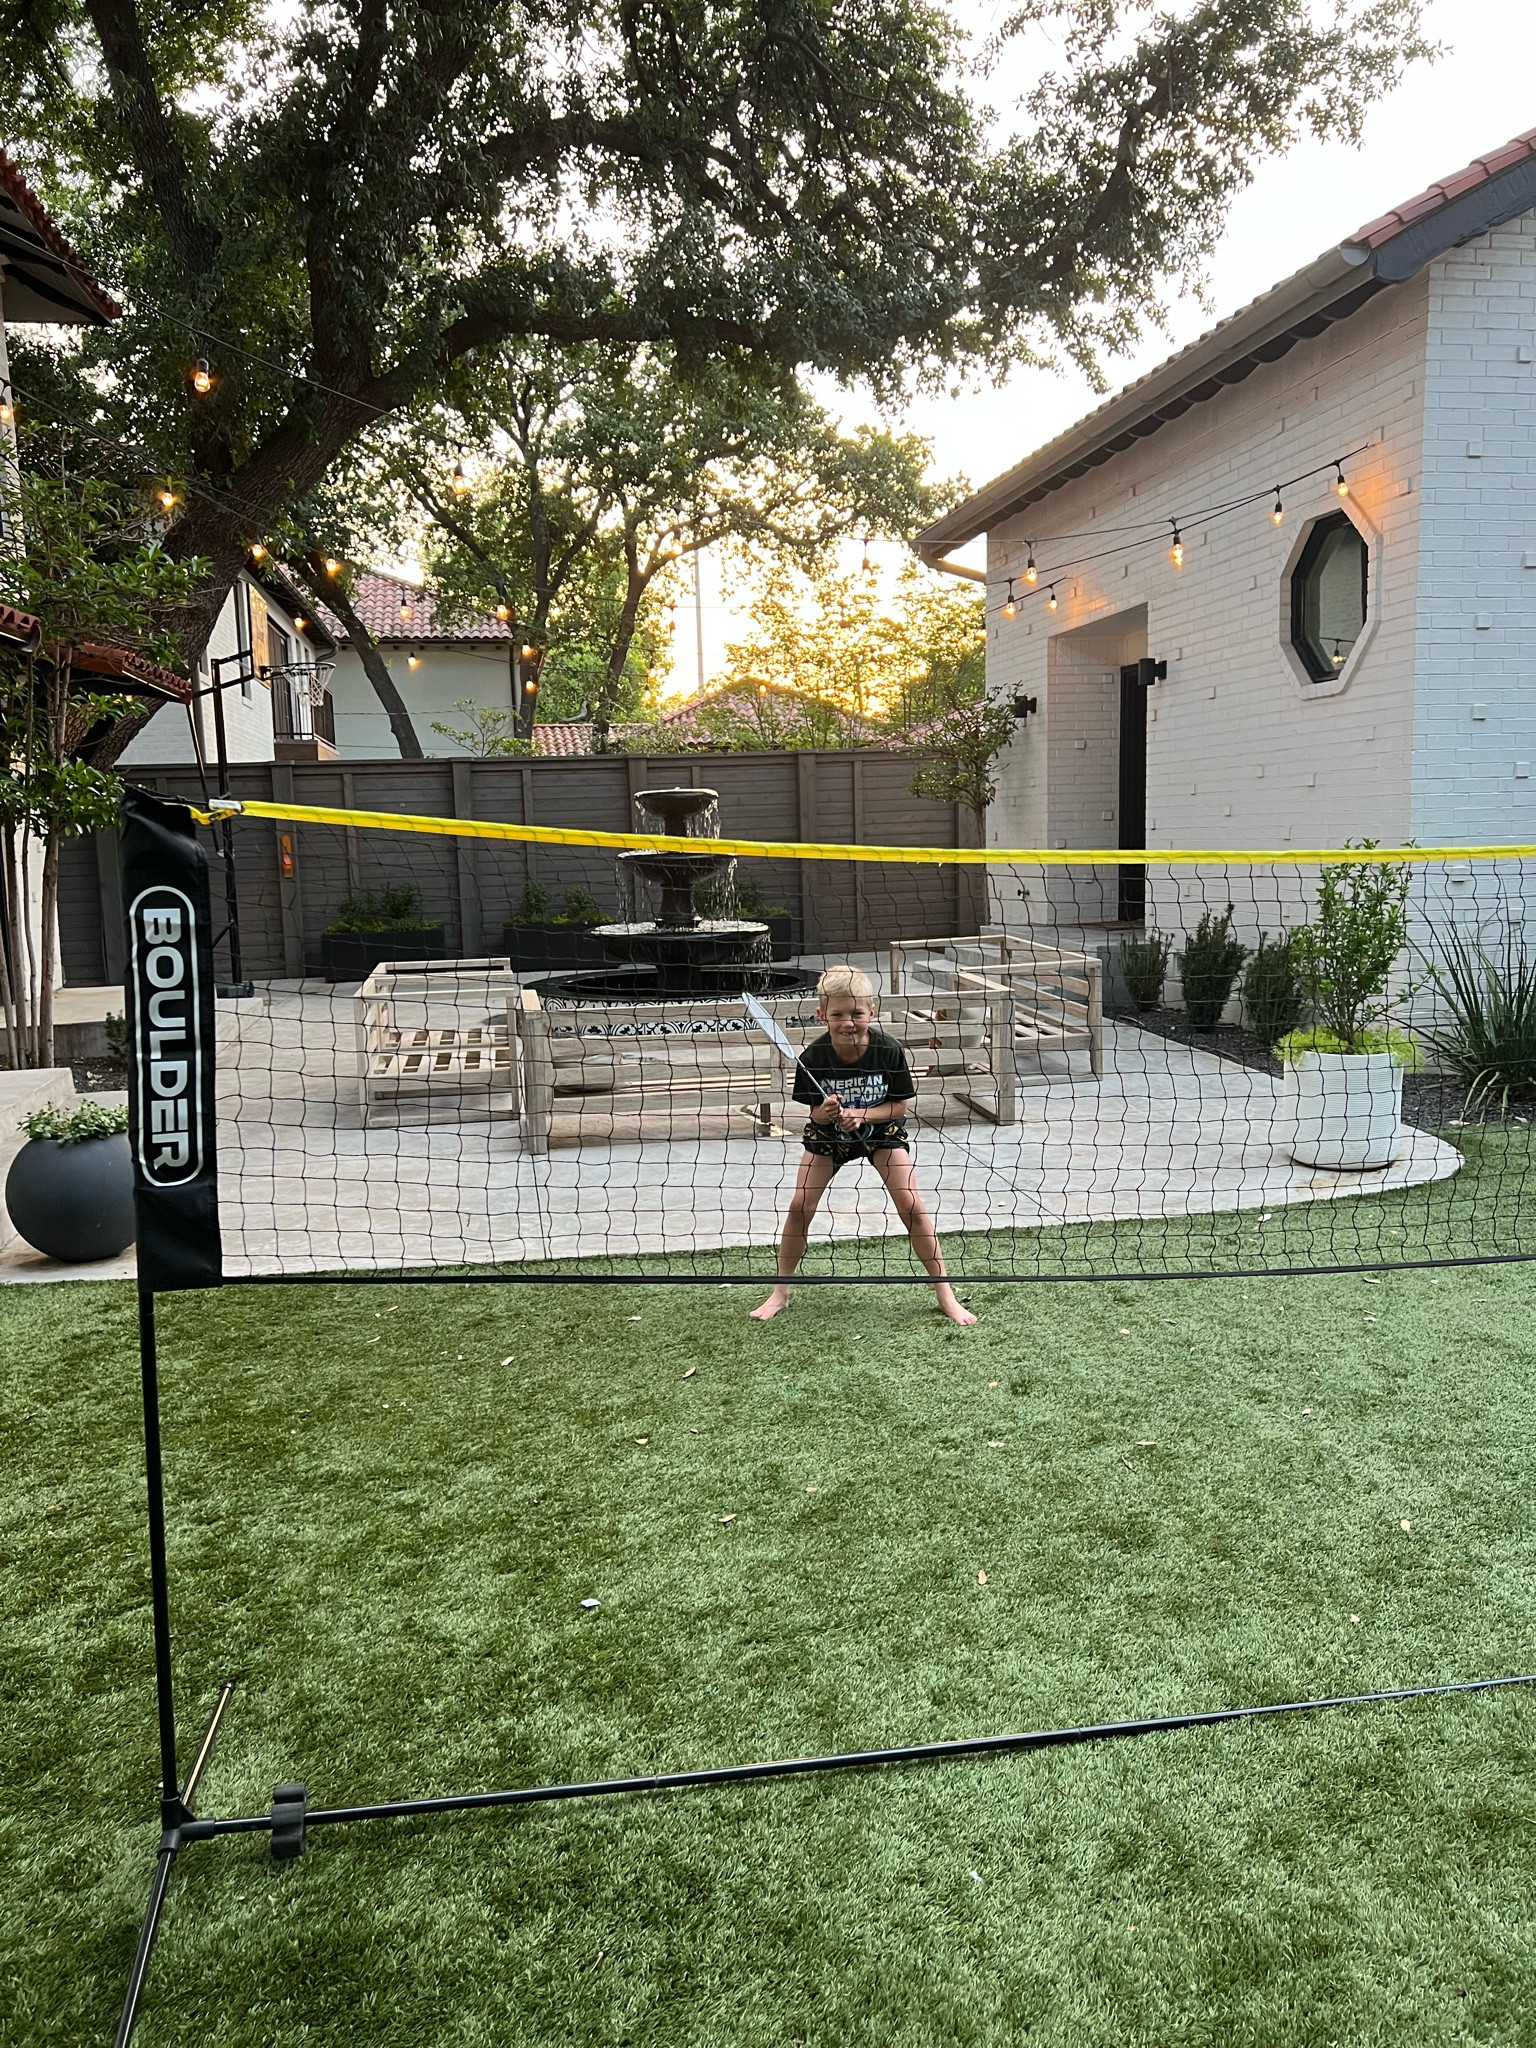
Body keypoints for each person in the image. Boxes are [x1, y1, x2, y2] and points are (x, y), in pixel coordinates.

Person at [751, 965, 976, 1325]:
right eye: (837, 1014)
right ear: (822, 1014)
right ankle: (780, 1290)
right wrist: (826, 1113)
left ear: (871, 1012)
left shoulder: (888, 1051)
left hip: (880, 1131)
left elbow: (899, 1107)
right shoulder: (812, 1058)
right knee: (799, 1205)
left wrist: (863, 1114)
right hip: (829, 1135)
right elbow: (814, 1115)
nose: (848, 1022)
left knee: (913, 1206)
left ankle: (945, 1292)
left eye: (856, 1013)